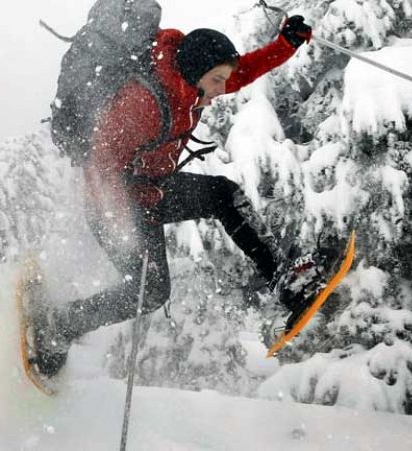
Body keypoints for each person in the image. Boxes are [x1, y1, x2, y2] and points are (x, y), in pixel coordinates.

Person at [33, 16, 316, 377]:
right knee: (150, 290)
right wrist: (138, 199)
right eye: (217, 81)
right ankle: (59, 323)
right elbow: (100, 166)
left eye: (222, 81)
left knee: (222, 194)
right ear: (198, 70)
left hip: (150, 188)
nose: (221, 90)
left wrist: (286, 44)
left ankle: (285, 279)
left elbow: (241, 70)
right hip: (110, 206)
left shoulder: (191, 82)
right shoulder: (143, 103)